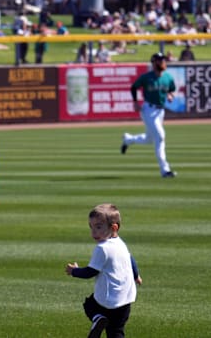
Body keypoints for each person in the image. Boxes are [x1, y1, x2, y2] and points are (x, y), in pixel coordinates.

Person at [65, 204, 141, 338]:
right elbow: (131, 259)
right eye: (91, 227)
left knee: (89, 304)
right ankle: (100, 319)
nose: (93, 232)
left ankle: (98, 318)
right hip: (125, 299)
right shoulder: (120, 243)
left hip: (107, 300)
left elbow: (90, 272)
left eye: (98, 227)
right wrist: (136, 275)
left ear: (114, 228)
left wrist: (74, 271)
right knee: (116, 332)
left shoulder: (102, 248)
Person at [121, 52, 177, 178]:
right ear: (154, 63)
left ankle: (128, 139)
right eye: (160, 60)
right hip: (148, 110)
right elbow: (134, 87)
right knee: (161, 137)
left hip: (160, 112)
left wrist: (170, 95)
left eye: (163, 60)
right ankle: (165, 170)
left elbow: (171, 89)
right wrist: (135, 102)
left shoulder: (168, 77)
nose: (163, 62)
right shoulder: (147, 77)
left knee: (149, 139)